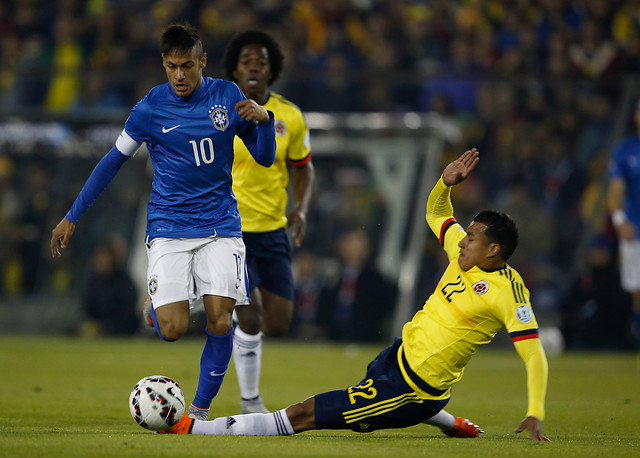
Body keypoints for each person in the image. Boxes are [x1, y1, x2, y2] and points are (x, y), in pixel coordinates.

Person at [163, 149, 550, 441]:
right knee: (364, 384)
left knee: (303, 414)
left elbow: (533, 353)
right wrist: (444, 184)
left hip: (411, 390)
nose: (462, 240)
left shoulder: (506, 293)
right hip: (397, 356)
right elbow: (437, 214)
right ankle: (451, 422)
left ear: (494, 250)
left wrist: (535, 411)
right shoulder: (461, 251)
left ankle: (193, 430)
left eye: (472, 238)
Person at [50, 23, 276, 421]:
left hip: (221, 225)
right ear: (163, 63)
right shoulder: (150, 107)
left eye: (187, 65)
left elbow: (264, 157)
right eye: (171, 66)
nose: (179, 76)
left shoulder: (227, 95)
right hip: (169, 227)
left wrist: (264, 120)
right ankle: (156, 308)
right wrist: (72, 215)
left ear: (202, 61)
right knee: (172, 329)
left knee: (222, 318)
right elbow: (112, 161)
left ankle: (199, 413)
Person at [222, 30, 315, 414]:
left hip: (273, 230)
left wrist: (301, 207)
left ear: (272, 69)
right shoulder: (218, 110)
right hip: (230, 230)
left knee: (278, 323)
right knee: (252, 316)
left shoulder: (289, 115)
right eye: (247, 61)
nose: (254, 66)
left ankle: (207, 298)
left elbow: (305, 168)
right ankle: (250, 400)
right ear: (235, 70)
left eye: (261, 60)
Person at [608, 98, 640, 347]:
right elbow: (615, 190)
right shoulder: (625, 150)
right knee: (637, 289)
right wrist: (620, 221)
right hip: (635, 227)